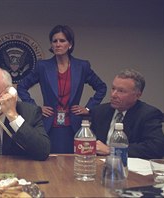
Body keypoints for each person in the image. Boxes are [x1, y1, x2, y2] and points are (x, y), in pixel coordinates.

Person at [17, 25, 107, 153]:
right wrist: (36, 109)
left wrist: (87, 108)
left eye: (62, 41)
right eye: (55, 41)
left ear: (70, 44)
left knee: (72, 162)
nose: (58, 44)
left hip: (74, 125)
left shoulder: (82, 66)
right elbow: (21, 87)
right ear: (51, 45)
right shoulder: (43, 66)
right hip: (49, 124)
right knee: (48, 163)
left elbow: (101, 87)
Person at [90, 68, 164, 159]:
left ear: (137, 95)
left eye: (121, 91)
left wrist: (111, 150)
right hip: (99, 164)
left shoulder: (148, 114)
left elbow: (155, 148)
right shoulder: (99, 112)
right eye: (113, 88)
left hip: (131, 167)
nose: (113, 95)